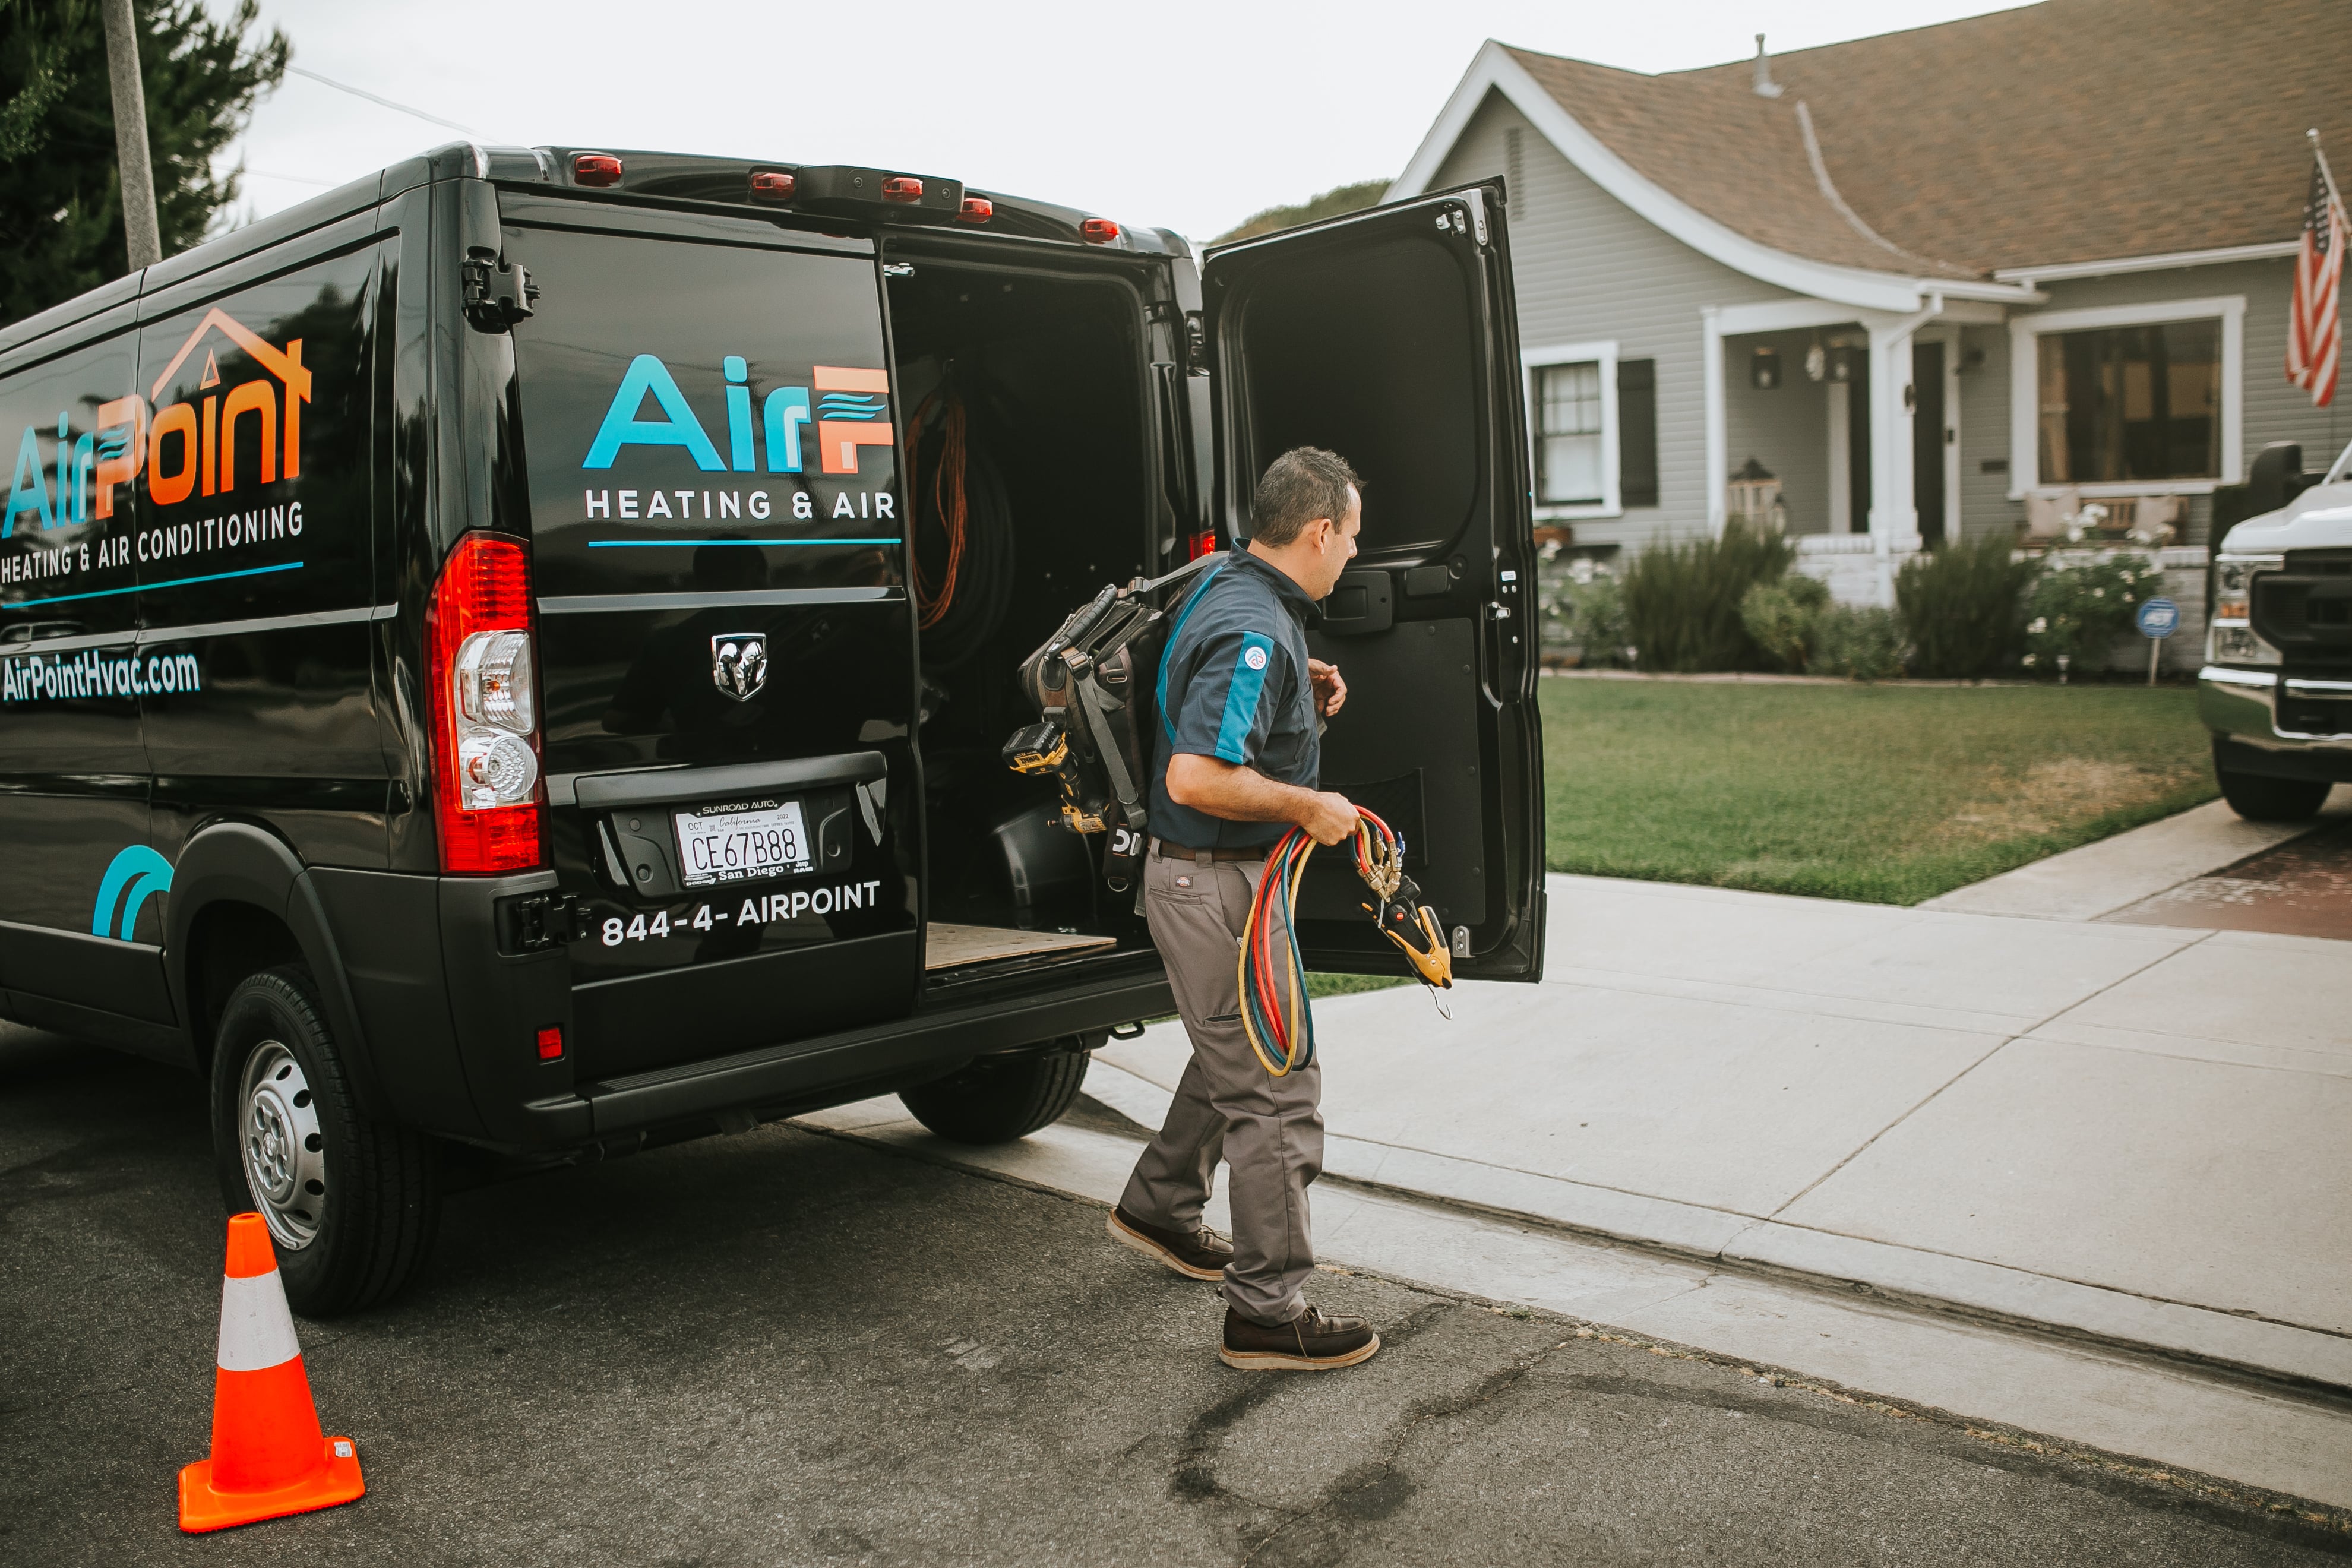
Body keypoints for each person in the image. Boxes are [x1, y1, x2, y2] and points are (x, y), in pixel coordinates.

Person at [1106, 445, 1377, 1371]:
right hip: (1212, 880)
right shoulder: (1254, 626)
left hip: (1219, 882)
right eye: (1349, 538)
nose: (1351, 556)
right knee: (1275, 1088)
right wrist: (1308, 804)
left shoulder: (1237, 589)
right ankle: (1266, 1309)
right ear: (1317, 531)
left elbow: (1217, 702)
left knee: (1234, 1058)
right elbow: (1197, 774)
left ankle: (1159, 1205)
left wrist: (1304, 692)